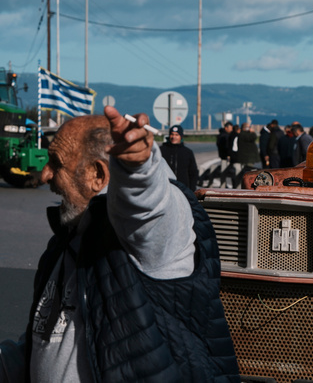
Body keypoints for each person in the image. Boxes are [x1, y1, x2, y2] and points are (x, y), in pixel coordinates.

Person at [0, 107, 239, 381]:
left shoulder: (158, 229)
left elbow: (146, 208)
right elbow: (46, 342)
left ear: (98, 176)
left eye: (56, 162)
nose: (44, 175)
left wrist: (136, 168)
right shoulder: (68, 236)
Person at [159, 124, 199, 191]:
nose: (174, 137)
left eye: (176, 135)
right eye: (172, 134)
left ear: (181, 136)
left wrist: (192, 190)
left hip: (183, 189)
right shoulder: (161, 150)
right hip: (164, 188)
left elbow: (193, 173)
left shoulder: (187, 152)